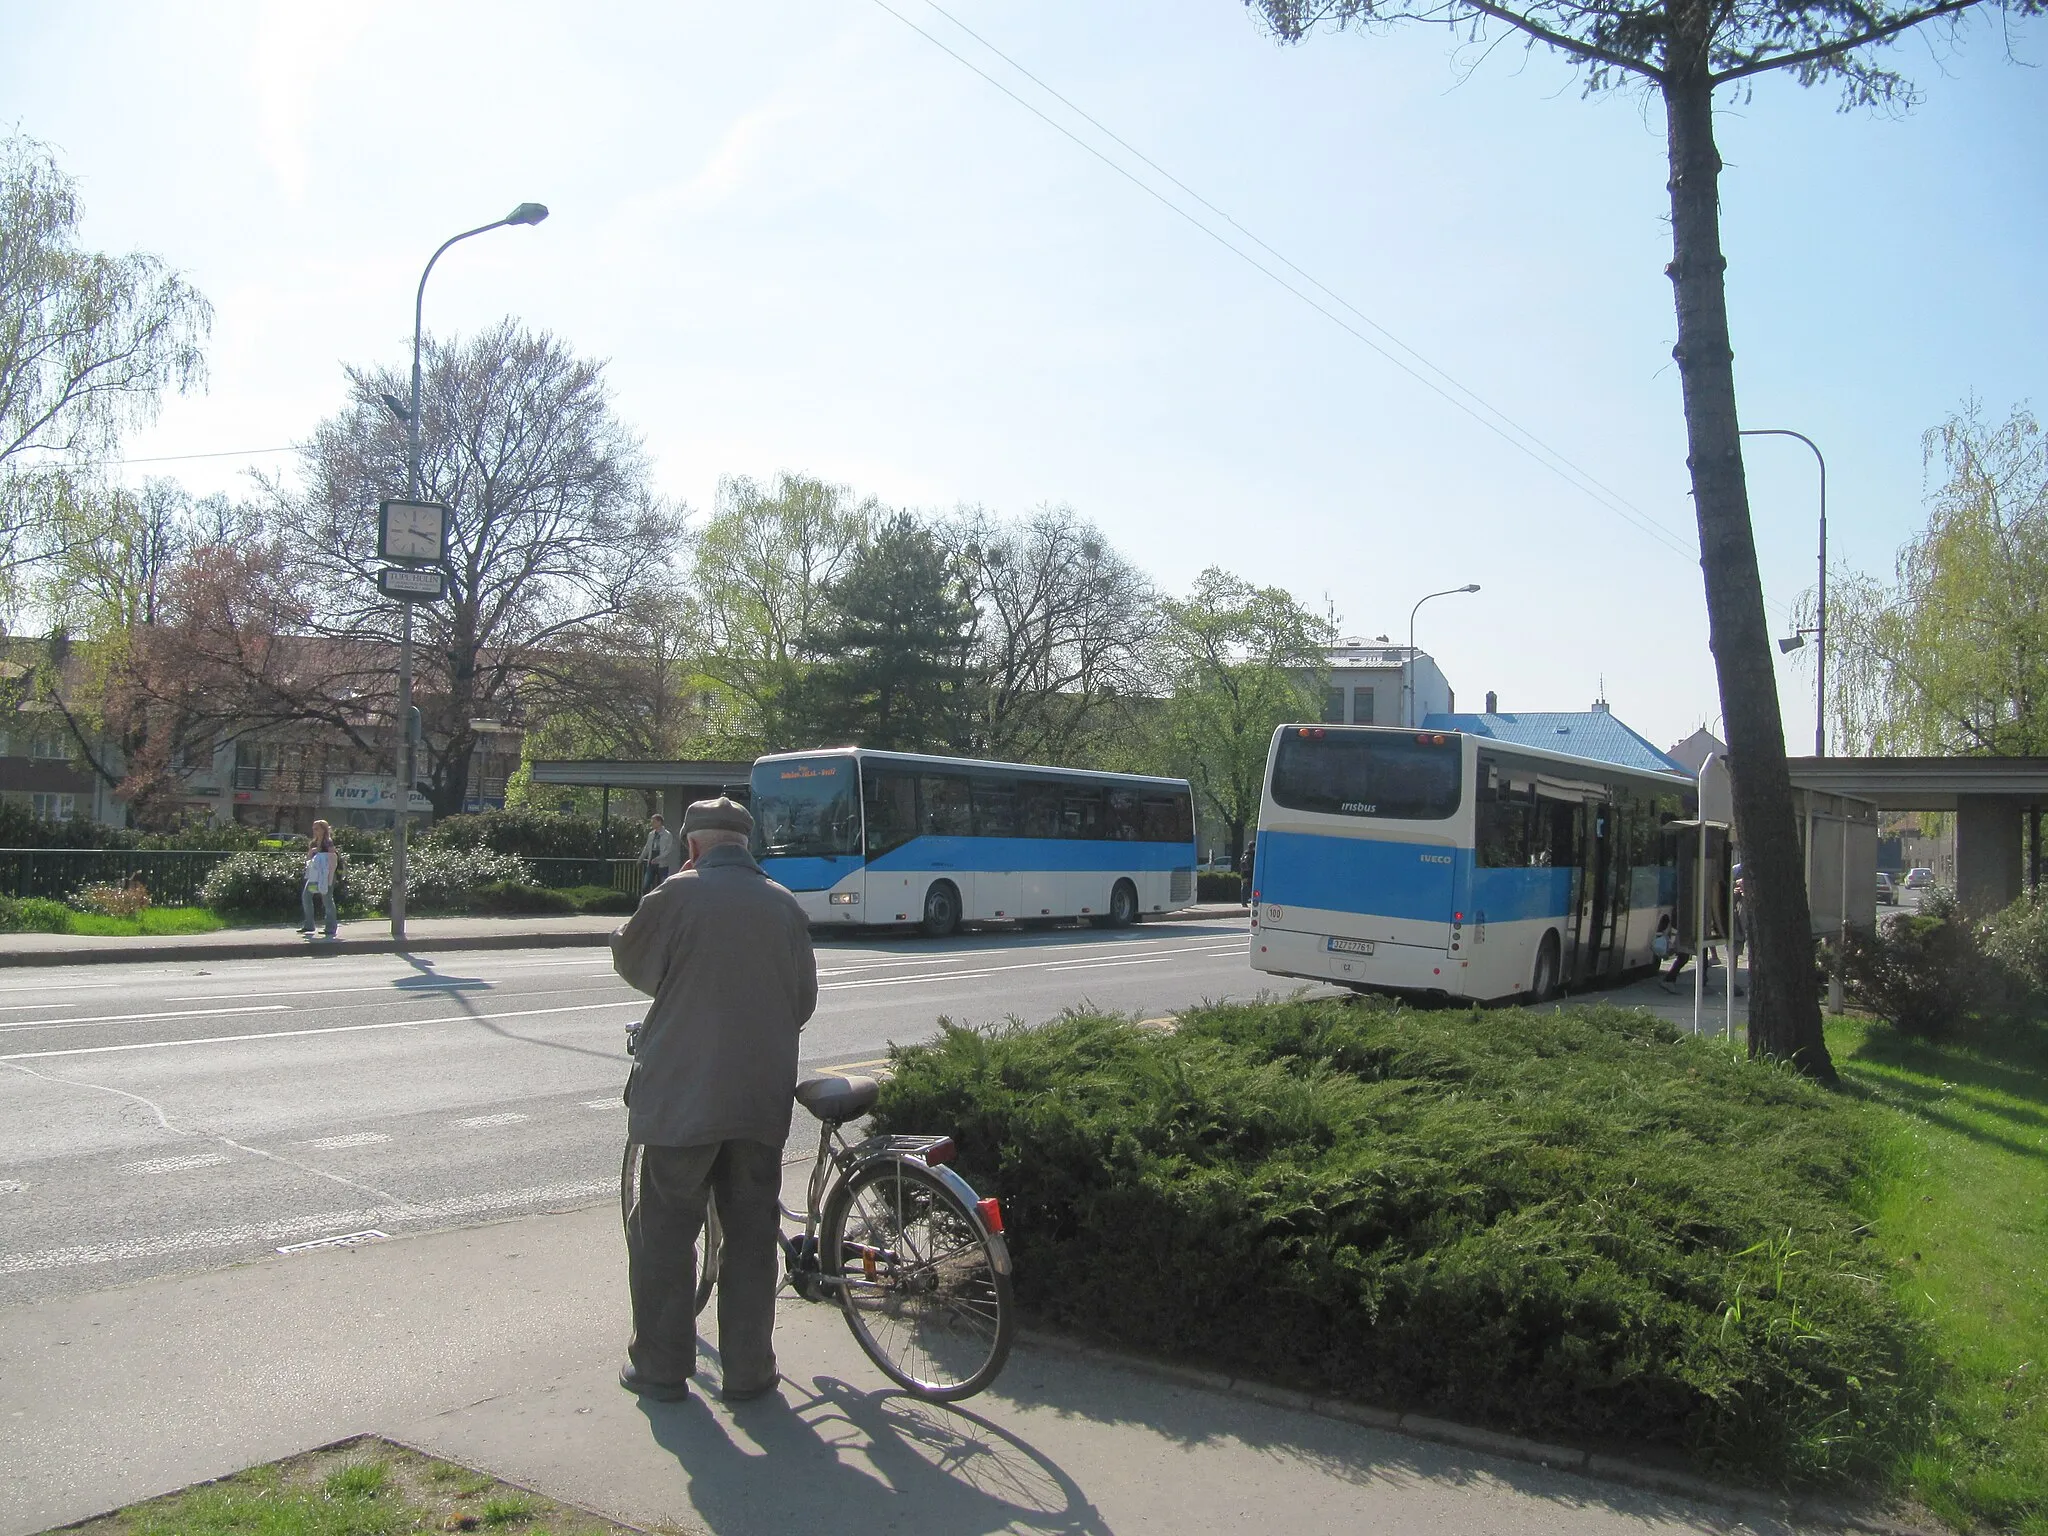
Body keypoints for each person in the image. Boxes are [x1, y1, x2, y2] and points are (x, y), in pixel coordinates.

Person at [610, 796, 818, 1404]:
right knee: (752, 1238)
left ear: (693, 846)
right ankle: (751, 1372)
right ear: (745, 845)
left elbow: (637, 964)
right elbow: (802, 1003)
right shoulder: (784, 905)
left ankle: (660, 1368)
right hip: (758, 1100)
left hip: (683, 1101)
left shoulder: (674, 896)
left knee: (666, 1236)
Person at [299, 820, 340, 940]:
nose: (314, 830)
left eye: (317, 828)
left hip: (326, 876)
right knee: (307, 895)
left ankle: (331, 927)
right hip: (314, 876)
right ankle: (309, 924)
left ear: (323, 829)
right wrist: (311, 852)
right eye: (314, 828)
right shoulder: (313, 842)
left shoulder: (328, 842)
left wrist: (329, 878)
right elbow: (309, 859)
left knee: (327, 899)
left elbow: (333, 859)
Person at [639, 813, 677, 895]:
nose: (652, 823)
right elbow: (647, 848)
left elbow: (668, 850)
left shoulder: (667, 835)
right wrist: (640, 859)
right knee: (646, 885)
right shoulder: (651, 834)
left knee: (663, 886)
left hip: (662, 864)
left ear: (659, 822)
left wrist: (658, 858)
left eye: (654, 821)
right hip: (651, 863)